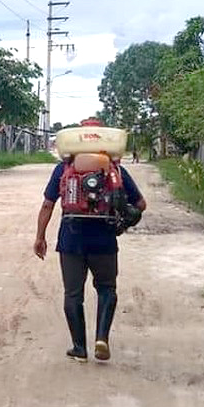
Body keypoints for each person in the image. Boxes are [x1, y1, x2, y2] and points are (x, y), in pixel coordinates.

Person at [33, 148, 146, 363]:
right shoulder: (115, 170)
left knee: (73, 294)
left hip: (71, 240)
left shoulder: (63, 169)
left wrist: (40, 237)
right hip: (104, 239)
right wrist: (122, 222)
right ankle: (101, 339)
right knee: (106, 289)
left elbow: (48, 204)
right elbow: (141, 205)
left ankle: (79, 348)